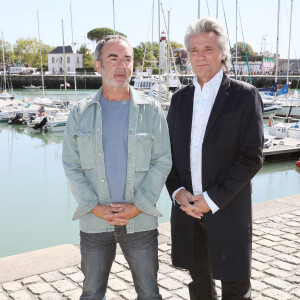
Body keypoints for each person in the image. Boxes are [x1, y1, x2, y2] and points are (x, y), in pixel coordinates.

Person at [62, 35, 171, 300]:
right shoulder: (79, 112)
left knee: (149, 293)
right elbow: (71, 164)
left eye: (127, 59)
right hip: (95, 220)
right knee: (91, 293)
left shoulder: (152, 110)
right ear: (98, 66)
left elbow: (163, 161)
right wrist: (94, 207)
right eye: (113, 58)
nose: (122, 66)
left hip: (140, 221)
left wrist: (138, 206)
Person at [166, 18, 264, 300]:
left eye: (207, 48)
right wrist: (178, 192)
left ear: (222, 53)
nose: (199, 56)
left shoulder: (245, 96)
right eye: (193, 50)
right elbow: (168, 156)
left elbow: (251, 158)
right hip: (188, 212)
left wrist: (212, 199)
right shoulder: (180, 99)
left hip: (228, 209)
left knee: (235, 290)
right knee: (198, 286)